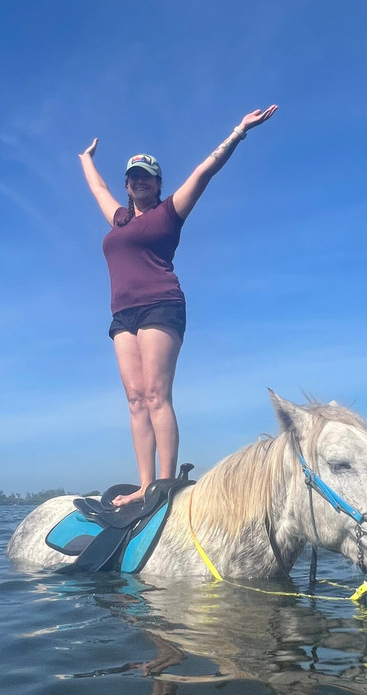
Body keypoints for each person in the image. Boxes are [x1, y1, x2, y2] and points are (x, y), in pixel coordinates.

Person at [78, 105, 278, 508]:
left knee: (156, 395)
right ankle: (144, 485)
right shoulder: (118, 220)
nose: (138, 182)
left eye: (146, 177)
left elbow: (205, 170)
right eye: (133, 176)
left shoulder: (169, 213)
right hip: (122, 316)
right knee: (135, 400)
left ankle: (164, 486)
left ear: (156, 184)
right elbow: (99, 190)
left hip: (161, 305)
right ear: (128, 183)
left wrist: (239, 130)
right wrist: (85, 159)